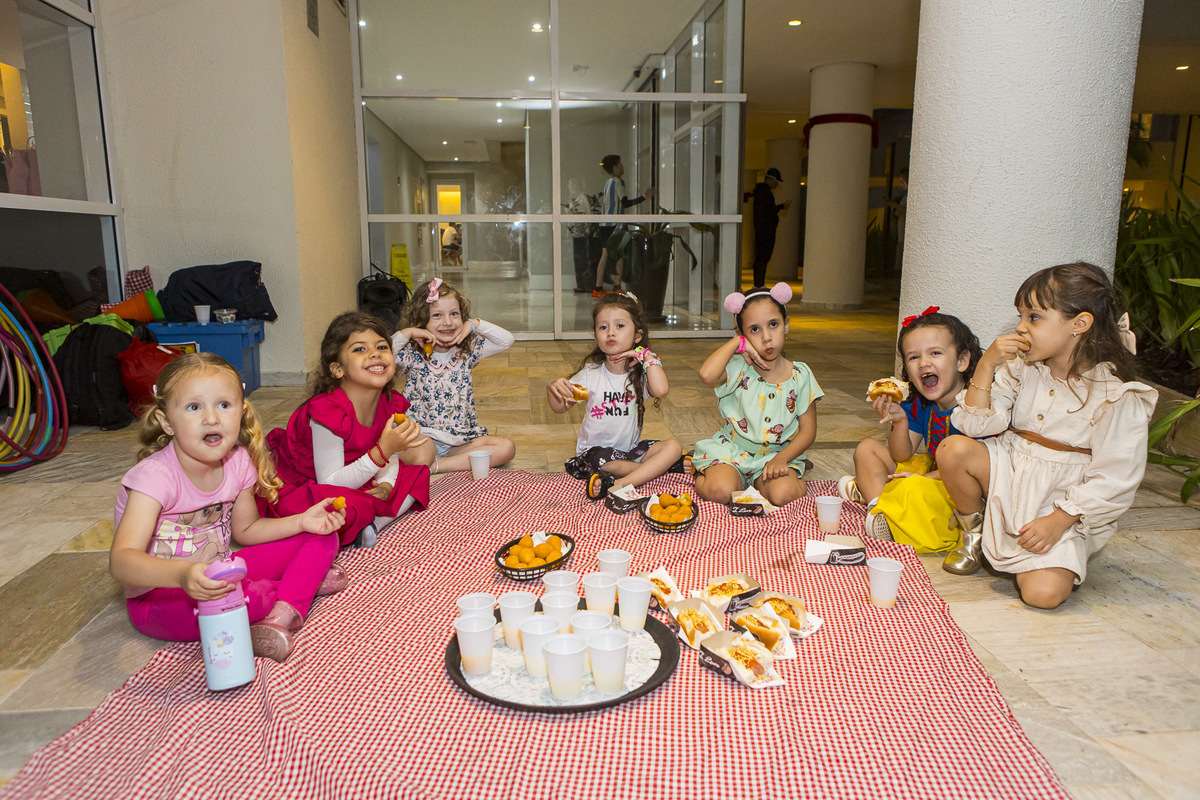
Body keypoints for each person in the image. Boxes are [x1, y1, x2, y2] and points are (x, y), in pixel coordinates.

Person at [936, 262, 1157, 609]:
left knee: (1043, 595)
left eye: (1034, 318)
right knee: (953, 450)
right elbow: (975, 426)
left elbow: (1116, 477)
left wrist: (1059, 520)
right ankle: (974, 534)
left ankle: (1054, 548)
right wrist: (987, 364)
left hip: (1059, 500)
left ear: (1079, 324)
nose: (1021, 328)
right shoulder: (1022, 368)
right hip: (1010, 472)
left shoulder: (1116, 395)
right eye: (1021, 317)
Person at [110, 353, 348, 662]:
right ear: (166, 421)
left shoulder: (238, 462)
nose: (211, 418)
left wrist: (302, 521)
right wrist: (182, 575)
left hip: (223, 570)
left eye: (223, 405)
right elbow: (122, 562)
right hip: (158, 597)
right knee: (253, 597)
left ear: (241, 412)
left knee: (323, 535)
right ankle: (298, 583)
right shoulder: (153, 478)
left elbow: (247, 530)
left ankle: (281, 615)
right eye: (194, 407)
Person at [261, 311, 433, 550]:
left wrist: (386, 484)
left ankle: (373, 525)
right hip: (311, 484)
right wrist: (382, 452)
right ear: (338, 369)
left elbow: (391, 456)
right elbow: (330, 482)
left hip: (359, 472)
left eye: (382, 347)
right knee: (340, 507)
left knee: (418, 476)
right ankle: (365, 519)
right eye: (359, 349)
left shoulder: (390, 402)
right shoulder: (327, 411)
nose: (375, 353)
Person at [837, 308, 982, 548]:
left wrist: (923, 478)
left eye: (935, 353)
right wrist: (900, 421)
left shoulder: (977, 406)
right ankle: (878, 508)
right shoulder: (919, 402)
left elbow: (977, 469)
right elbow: (901, 455)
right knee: (867, 449)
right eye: (914, 357)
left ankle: (875, 493)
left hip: (959, 484)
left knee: (913, 487)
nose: (924, 363)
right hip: (930, 468)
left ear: (962, 361)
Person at [692, 283, 821, 507]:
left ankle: (783, 477)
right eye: (754, 329)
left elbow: (808, 432)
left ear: (786, 325)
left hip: (775, 455)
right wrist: (736, 343)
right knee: (721, 491)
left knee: (784, 495)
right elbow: (706, 375)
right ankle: (705, 469)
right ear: (743, 335)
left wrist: (782, 459)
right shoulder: (738, 367)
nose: (766, 337)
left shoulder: (800, 375)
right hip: (731, 451)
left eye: (773, 324)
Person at [547, 291, 686, 496]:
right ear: (595, 336)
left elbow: (661, 390)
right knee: (608, 464)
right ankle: (655, 470)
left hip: (630, 451)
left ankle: (620, 483)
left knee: (673, 446)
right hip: (596, 454)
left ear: (637, 335)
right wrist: (553, 387)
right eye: (603, 327)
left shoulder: (640, 375)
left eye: (620, 326)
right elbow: (560, 407)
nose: (610, 333)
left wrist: (646, 356)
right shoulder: (590, 375)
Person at [393, 277, 516, 474]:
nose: (448, 322)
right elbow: (383, 354)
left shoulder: (467, 351)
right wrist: (408, 333)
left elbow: (506, 340)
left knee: (506, 448)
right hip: (422, 436)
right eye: (437, 315)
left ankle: (437, 466)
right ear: (421, 320)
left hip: (458, 441)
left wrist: (475, 324)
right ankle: (432, 461)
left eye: (454, 314)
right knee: (422, 455)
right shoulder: (412, 353)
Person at [592, 154, 656, 297]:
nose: (623, 167)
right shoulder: (618, 182)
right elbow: (625, 202)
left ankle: (598, 288)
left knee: (604, 255)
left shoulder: (608, 182)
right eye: (620, 164)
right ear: (615, 167)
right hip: (615, 224)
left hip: (604, 224)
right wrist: (645, 197)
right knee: (618, 256)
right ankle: (617, 287)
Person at [751, 167, 791, 289]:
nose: (776, 185)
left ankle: (759, 283)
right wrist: (781, 207)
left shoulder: (762, 192)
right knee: (763, 256)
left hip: (763, 229)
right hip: (765, 230)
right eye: (776, 182)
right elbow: (767, 211)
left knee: (762, 257)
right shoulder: (764, 193)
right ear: (770, 179)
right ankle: (759, 284)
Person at [566, 177, 601, 294]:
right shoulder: (572, 199)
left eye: (570, 184)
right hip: (576, 233)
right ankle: (580, 284)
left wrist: (588, 229)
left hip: (584, 232)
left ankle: (587, 284)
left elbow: (588, 213)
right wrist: (569, 230)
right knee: (577, 258)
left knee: (584, 258)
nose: (569, 187)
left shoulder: (583, 197)